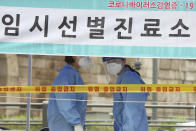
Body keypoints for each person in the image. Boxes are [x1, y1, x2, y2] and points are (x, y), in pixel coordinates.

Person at [102, 57, 149, 131]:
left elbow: (133, 115)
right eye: (108, 61)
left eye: (114, 60)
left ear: (124, 60)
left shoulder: (130, 79)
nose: (111, 63)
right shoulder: (123, 78)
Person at [47, 56, 90, 131]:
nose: (86, 57)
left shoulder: (73, 73)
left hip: (69, 124)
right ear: (74, 56)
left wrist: (79, 123)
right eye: (82, 54)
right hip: (65, 125)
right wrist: (76, 122)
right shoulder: (67, 74)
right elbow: (65, 101)